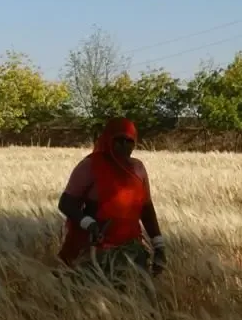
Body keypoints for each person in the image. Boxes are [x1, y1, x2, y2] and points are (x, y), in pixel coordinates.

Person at [56, 117, 166, 277]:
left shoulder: (138, 168)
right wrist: (89, 224)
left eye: (129, 141)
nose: (124, 145)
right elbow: (66, 203)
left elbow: (146, 209)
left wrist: (159, 246)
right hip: (94, 249)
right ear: (108, 139)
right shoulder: (90, 166)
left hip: (131, 250)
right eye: (119, 140)